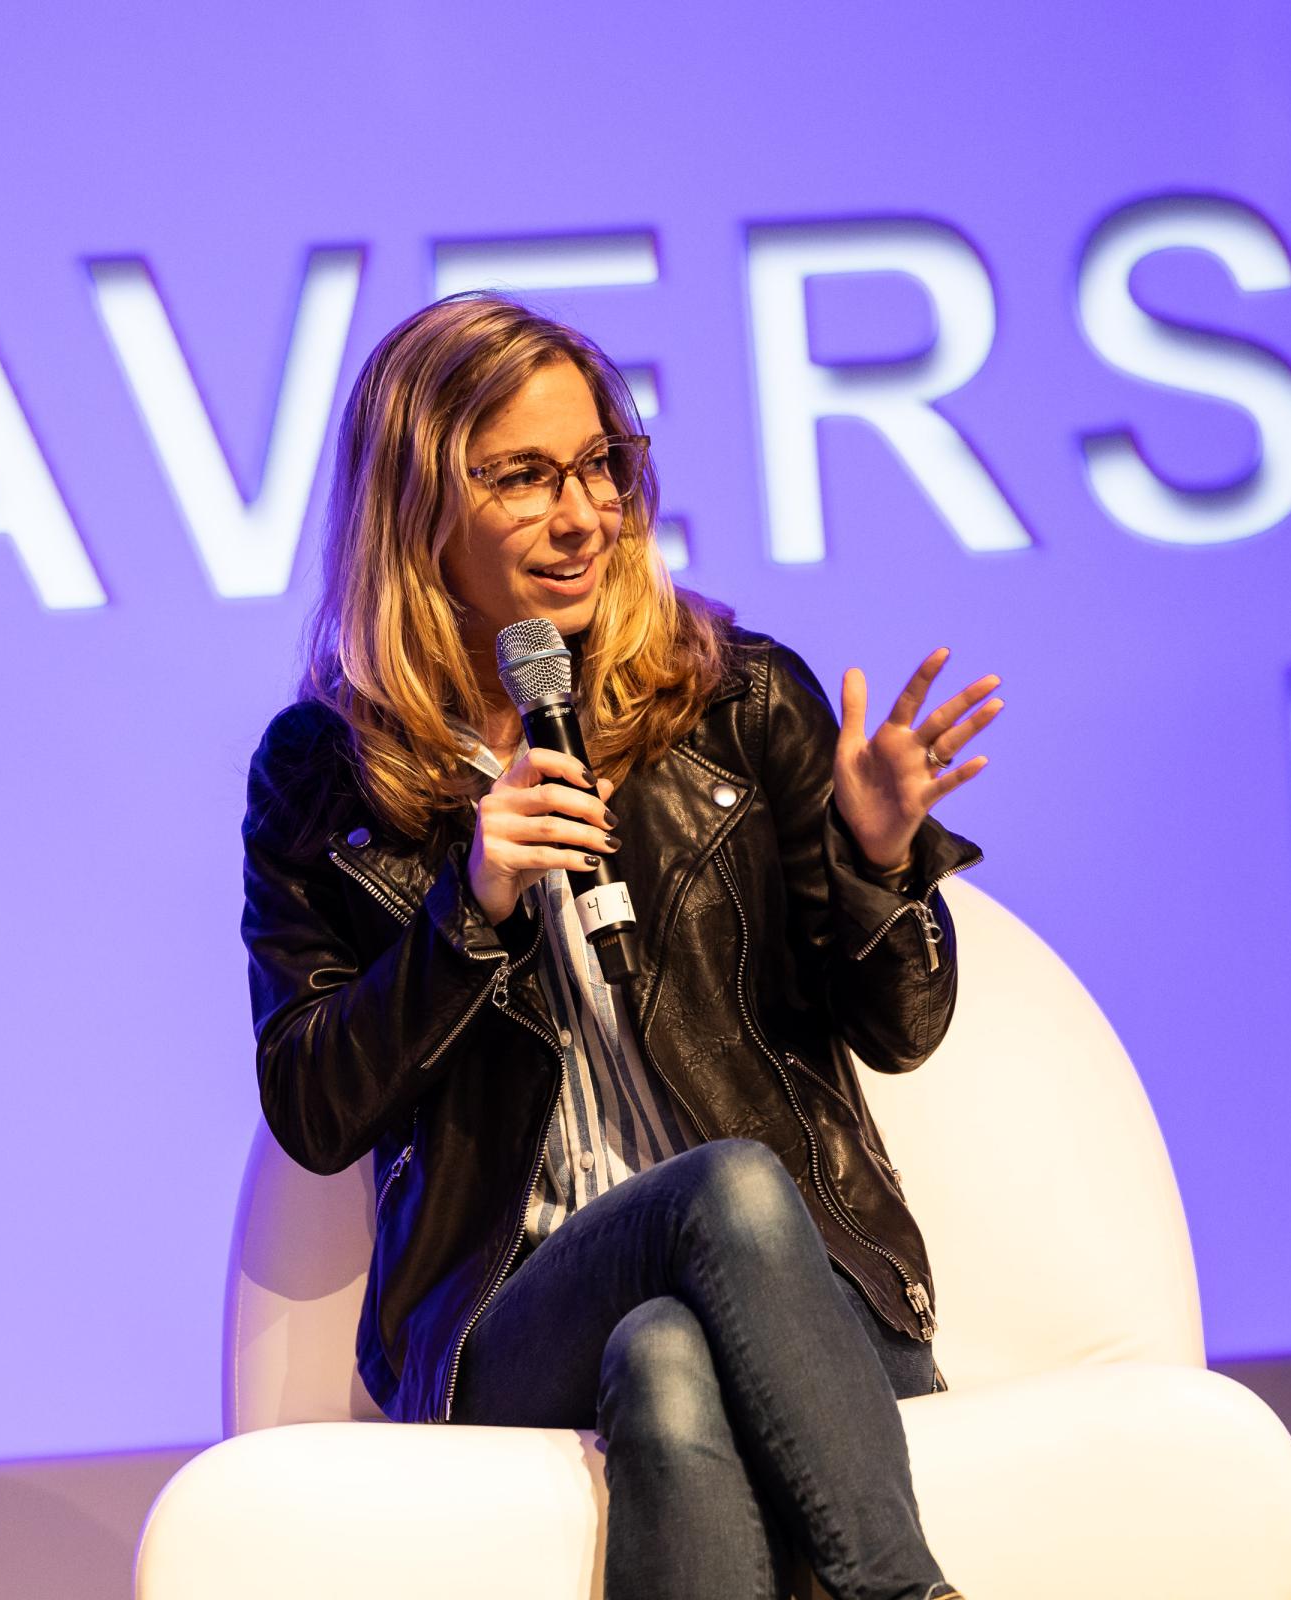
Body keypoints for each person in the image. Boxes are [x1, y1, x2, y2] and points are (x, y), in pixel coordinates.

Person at [240, 296, 1005, 1600]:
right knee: (723, 1191)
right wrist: (468, 908)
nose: (582, 513)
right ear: (419, 504)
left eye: (602, 467)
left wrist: (877, 862)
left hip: (807, 1304)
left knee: (664, 1352)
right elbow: (313, 1105)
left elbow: (898, 1029)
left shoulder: (735, 695)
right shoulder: (323, 776)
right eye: (523, 477)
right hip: (515, 1311)